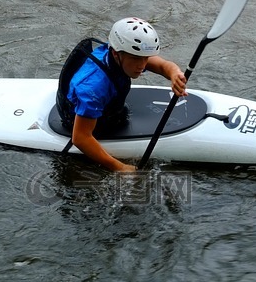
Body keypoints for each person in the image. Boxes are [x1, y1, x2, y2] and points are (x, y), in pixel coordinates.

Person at [56, 17, 187, 172]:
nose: (142, 65)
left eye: (145, 58)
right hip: (79, 118)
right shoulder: (93, 89)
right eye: (136, 59)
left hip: (102, 101)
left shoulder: (123, 56)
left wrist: (174, 74)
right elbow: (80, 138)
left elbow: (163, 65)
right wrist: (119, 167)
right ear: (115, 53)